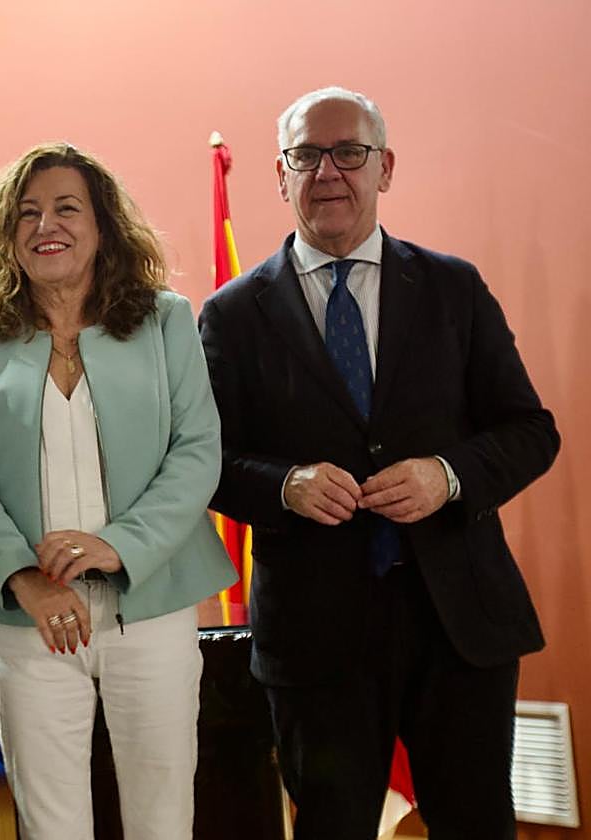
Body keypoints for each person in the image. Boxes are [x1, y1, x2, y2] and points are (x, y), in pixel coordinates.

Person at [198, 86, 560, 840]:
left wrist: (448, 475)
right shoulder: (232, 314)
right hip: (316, 637)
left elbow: (530, 430)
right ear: (280, 173)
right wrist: (285, 485)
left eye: (349, 153)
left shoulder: (452, 288)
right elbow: (207, 460)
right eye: (306, 155)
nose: (328, 171)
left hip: (459, 624)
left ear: (384, 167)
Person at [0, 142, 236, 839]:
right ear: (7, 235)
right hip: (30, 616)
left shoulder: (165, 321)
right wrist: (23, 580)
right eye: (28, 212)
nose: (48, 225)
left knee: (163, 819)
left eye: (67, 208)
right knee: (51, 826)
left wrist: (116, 545)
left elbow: (198, 451)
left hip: (152, 606)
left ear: (103, 226)